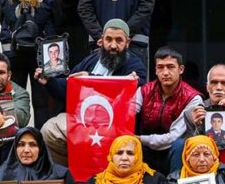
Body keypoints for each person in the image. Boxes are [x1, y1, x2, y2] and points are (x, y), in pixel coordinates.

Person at [36, 19, 147, 166]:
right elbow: (68, 87)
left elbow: (130, 91)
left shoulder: (135, 65)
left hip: (112, 123)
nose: (113, 45)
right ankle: (67, 175)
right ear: (101, 41)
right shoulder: (91, 60)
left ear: (127, 43)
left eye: (118, 40)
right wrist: (49, 82)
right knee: (49, 130)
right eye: (109, 39)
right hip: (80, 119)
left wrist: (89, 79)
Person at [0, 0, 56, 129]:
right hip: (40, 50)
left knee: (13, 100)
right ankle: (41, 147)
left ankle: (14, 145)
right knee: (41, 103)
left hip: (12, 49)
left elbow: (2, 17)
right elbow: (55, 17)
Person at [134, 47, 203, 174]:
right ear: (155, 70)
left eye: (170, 67)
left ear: (180, 69)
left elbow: (173, 137)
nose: (165, 72)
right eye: (160, 67)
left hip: (172, 151)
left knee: (180, 144)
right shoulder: (144, 91)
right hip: (144, 149)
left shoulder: (193, 98)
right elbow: (126, 114)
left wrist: (138, 138)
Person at [175, 64, 225, 172]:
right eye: (214, 83)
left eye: (224, 83)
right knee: (178, 144)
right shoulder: (192, 113)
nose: (218, 87)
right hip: (204, 165)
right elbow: (190, 150)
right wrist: (197, 125)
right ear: (207, 87)